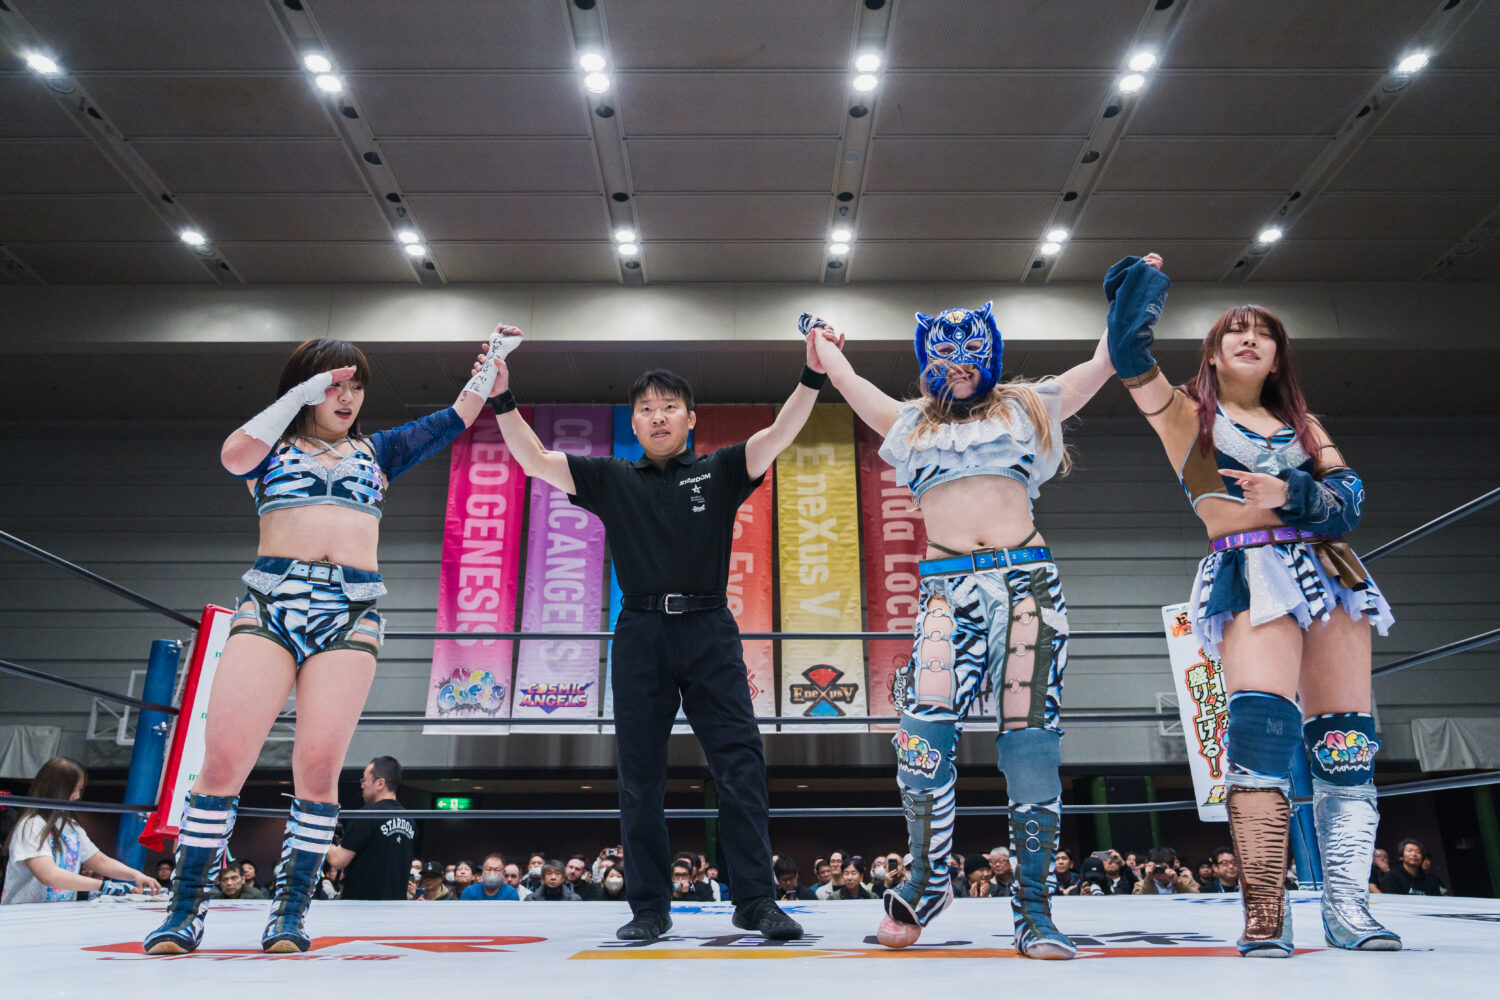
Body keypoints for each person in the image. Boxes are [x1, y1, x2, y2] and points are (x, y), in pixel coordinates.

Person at [809, 276, 1147, 959]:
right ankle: (930, 878)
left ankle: (1033, 907)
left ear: (990, 352)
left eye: (970, 352)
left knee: (1031, 739)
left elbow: (1104, 361)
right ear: (925, 358)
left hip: (1027, 584)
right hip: (945, 590)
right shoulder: (911, 423)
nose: (958, 364)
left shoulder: (1027, 406)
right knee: (920, 731)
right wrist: (824, 346)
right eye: (944, 353)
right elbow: (850, 384)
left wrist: (1132, 297)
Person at [145, 334, 512, 956]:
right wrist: (298, 398)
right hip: (271, 604)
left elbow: (455, 418)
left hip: (349, 612)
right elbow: (232, 457)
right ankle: (184, 912)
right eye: (334, 386)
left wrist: (489, 371)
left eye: (356, 387)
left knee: (318, 770)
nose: (347, 398)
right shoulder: (270, 446)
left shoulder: (378, 450)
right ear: (306, 387)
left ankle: (289, 914)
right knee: (223, 762)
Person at [478, 325, 838, 945]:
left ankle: (756, 901)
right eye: (646, 409)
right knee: (639, 777)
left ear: (690, 418)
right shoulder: (612, 478)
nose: (658, 416)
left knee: (741, 765)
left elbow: (780, 432)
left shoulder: (722, 469)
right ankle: (649, 907)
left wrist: (813, 374)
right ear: (634, 423)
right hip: (641, 633)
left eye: (670, 406)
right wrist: (502, 397)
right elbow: (535, 459)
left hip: (709, 629)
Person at [1109, 264, 1399, 956]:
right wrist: (1143, 285)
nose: (1250, 339)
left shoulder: (1304, 424)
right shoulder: (1184, 413)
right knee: (1260, 733)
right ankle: (1266, 912)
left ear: (1277, 355)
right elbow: (1127, 353)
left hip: (1330, 573)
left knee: (1347, 744)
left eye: (1263, 333)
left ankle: (1350, 910)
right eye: (1235, 332)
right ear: (1212, 353)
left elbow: (1351, 501)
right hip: (1249, 568)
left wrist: (1292, 493)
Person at [2, 757, 160, 905]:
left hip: (56, 913)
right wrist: (104, 886)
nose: (77, 796)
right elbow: (48, 875)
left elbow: (100, 861)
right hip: (24, 913)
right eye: (74, 789)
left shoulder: (71, 826)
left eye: (80, 789)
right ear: (58, 789)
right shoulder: (32, 825)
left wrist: (135, 875)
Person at [327, 756, 416, 902]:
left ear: (380, 783)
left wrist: (318, 834)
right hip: (396, 906)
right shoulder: (410, 819)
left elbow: (338, 860)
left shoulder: (367, 815)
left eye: (365, 779)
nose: (362, 785)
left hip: (363, 906)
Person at [1380, 839, 1447, 895]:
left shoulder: (1430, 880)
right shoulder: (1391, 877)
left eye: (1418, 852)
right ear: (1401, 857)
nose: (1414, 854)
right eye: (1410, 851)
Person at [1133, 847, 1199, 895]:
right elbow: (1137, 903)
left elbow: (1196, 899)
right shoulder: (1140, 885)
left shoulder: (1187, 882)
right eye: (1157, 870)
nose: (1161, 875)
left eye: (1163, 869)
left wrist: (1177, 883)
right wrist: (1148, 880)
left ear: (1173, 867)